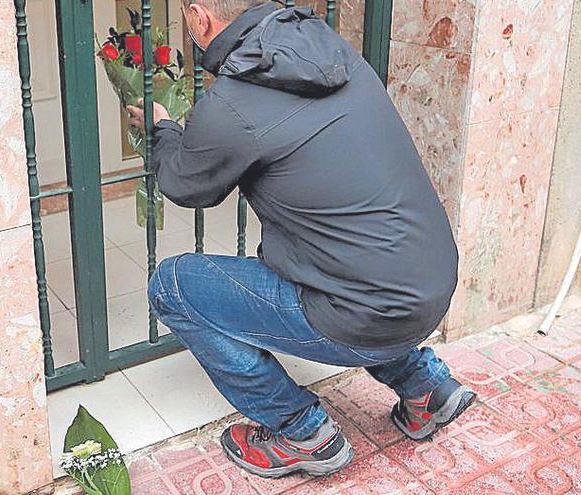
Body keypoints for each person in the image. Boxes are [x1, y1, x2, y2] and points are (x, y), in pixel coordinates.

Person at [126, 0, 476, 479]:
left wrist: (163, 129)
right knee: (361, 268)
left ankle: (301, 432)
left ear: (197, 17)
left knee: (172, 285)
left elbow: (186, 185)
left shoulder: (233, 101)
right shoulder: (337, 54)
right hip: (432, 284)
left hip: (364, 313)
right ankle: (426, 387)